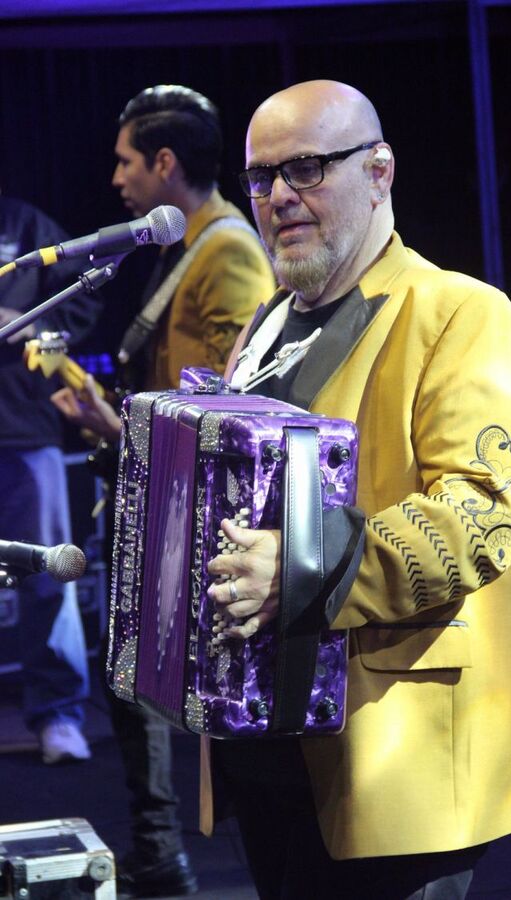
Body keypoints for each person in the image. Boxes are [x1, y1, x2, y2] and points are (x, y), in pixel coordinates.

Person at [202, 80, 511, 900]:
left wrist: (296, 570)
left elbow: (483, 515)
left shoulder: (461, 312)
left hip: (397, 753)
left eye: (305, 169)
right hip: (269, 746)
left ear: (379, 171)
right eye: (261, 179)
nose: (279, 199)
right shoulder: (265, 324)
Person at [51, 84, 274, 898]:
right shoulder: (191, 248)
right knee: (131, 680)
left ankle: (172, 858)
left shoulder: (230, 253)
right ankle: (159, 854)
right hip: (167, 496)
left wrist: (119, 432)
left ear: (165, 163)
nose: (115, 178)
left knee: (181, 692)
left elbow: (235, 406)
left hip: (202, 514)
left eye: (125, 160)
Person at [0, 193, 102, 764]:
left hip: (23, 426)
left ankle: (59, 714)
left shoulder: (28, 224)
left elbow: (85, 298)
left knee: (46, 571)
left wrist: (26, 324)